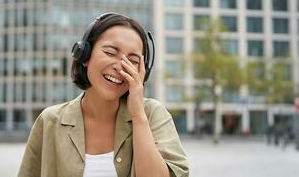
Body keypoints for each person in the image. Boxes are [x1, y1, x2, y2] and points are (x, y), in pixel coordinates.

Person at [18, 13, 189, 177]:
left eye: (133, 61)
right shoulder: (50, 121)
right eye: (110, 52)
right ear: (84, 55)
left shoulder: (152, 115)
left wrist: (138, 115)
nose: (121, 66)